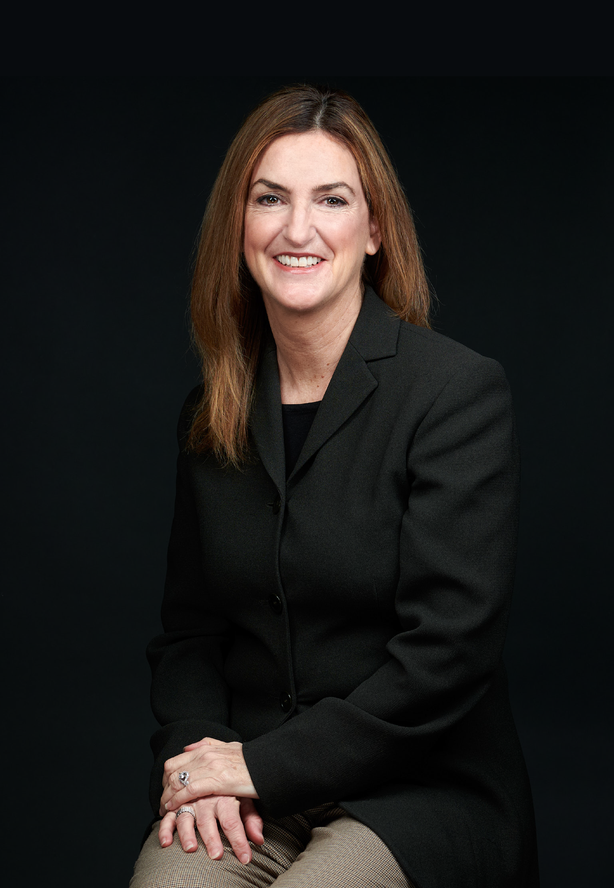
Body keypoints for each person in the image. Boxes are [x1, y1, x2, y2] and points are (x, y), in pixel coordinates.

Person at [130, 84, 539, 888]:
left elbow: (446, 655)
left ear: (376, 228)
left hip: (416, 792)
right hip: (251, 794)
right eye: (270, 198)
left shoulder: (454, 393)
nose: (297, 229)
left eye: (332, 199)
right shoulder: (211, 413)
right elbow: (189, 635)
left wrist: (257, 765)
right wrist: (194, 756)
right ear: (239, 226)